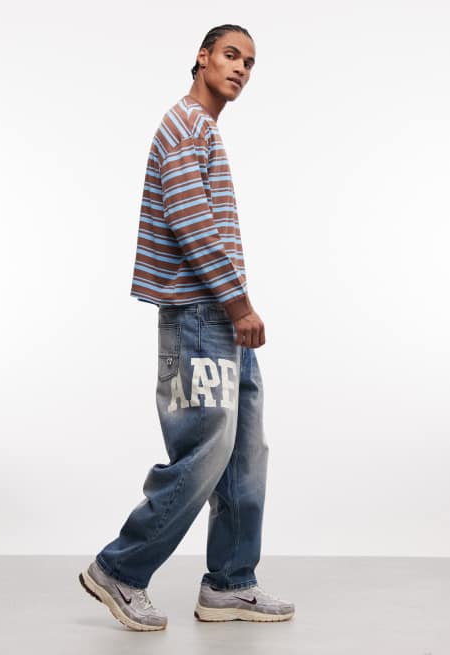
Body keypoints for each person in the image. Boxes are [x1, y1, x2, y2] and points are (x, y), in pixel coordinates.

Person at [79, 23, 295, 632]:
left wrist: (235, 313)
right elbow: (190, 223)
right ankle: (120, 569)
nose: (241, 69)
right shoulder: (185, 125)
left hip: (220, 320)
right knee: (205, 452)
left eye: (249, 62)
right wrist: (240, 306)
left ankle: (230, 583)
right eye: (231, 55)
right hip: (203, 317)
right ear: (202, 58)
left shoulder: (204, 129)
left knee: (244, 455)